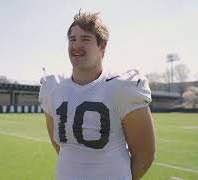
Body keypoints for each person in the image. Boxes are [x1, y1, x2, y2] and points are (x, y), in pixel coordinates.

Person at [39, 11, 155, 180]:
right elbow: (60, 146)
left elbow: (145, 155)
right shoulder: (53, 87)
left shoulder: (122, 87)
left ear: (102, 46)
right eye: (72, 39)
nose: (76, 45)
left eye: (85, 39)